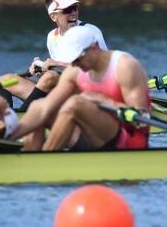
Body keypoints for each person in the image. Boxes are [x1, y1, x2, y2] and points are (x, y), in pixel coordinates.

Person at [9, 25, 150, 151]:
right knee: (38, 106)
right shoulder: (75, 70)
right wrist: (9, 137)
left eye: (77, 58)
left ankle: (46, 160)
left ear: (94, 48)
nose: (75, 64)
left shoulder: (125, 66)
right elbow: (43, 108)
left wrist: (105, 102)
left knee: (74, 104)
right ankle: (28, 157)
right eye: (72, 60)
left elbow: (142, 119)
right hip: (91, 135)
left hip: (129, 141)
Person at [0, 0, 108, 111]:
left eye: (75, 8)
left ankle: (24, 114)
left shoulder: (89, 32)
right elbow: (58, 73)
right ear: (53, 17)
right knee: (4, 81)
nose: (73, 13)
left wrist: (56, 65)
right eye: (67, 10)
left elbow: (101, 70)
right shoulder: (52, 36)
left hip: (87, 94)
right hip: (59, 94)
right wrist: (41, 69)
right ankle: (2, 114)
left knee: (50, 77)